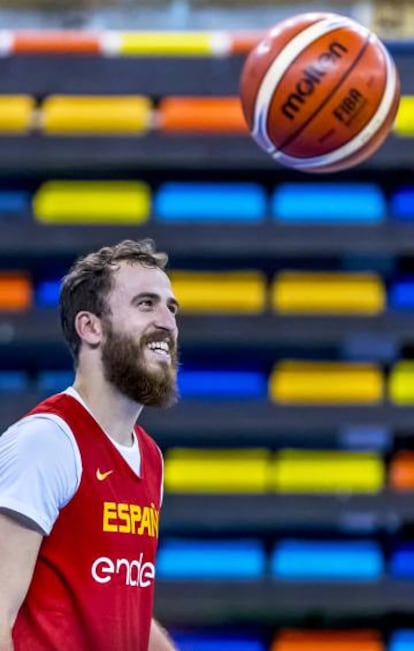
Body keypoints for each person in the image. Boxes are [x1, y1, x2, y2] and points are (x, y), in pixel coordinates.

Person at [0, 239, 180, 651]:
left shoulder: (148, 456)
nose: (167, 322)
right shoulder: (46, 441)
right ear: (91, 327)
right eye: (146, 303)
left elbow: (117, 605)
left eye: (171, 308)